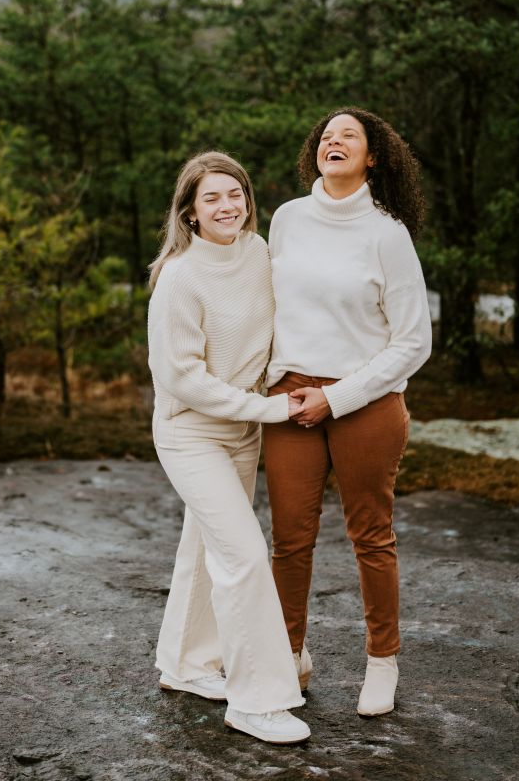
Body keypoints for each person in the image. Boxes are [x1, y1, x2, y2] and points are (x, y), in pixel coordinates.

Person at [262, 107, 432, 718]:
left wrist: (338, 396)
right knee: (289, 539)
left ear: (373, 157)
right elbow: (268, 309)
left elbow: (414, 341)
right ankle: (289, 656)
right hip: (290, 397)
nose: (334, 141)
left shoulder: (388, 234)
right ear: (316, 151)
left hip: (365, 400)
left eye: (349, 136)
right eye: (326, 135)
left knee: (371, 536)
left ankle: (381, 661)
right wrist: (277, 387)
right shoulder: (286, 220)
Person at [147, 151, 310, 745]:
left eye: (234, 194)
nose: (226, 206)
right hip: (190, 432)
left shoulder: (260, 253)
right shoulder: (179, 277)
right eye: (211, 198)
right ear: (189, 212)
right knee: (243, 554)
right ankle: (257, 700)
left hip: (241, 431)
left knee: (203, 546)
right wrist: (269, 409)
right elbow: (182, 379)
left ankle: (186, 665)